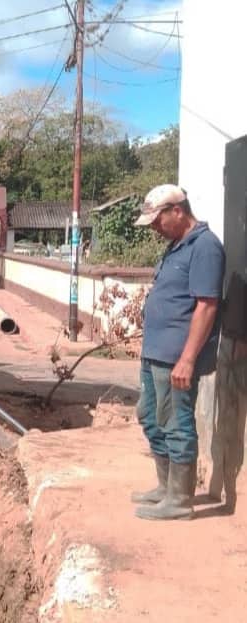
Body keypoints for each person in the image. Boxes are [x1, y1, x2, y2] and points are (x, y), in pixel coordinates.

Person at [131, 184, 225, 521]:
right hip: (155, 354)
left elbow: (206, 306)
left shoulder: (205, 248)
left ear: (178, 211)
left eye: (158, 220)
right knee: (150, 416)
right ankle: (165, 486)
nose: (155, 228)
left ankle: (180, 500)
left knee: (176, 423)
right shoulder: (177, 246)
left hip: (177, 357)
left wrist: (187, 359)